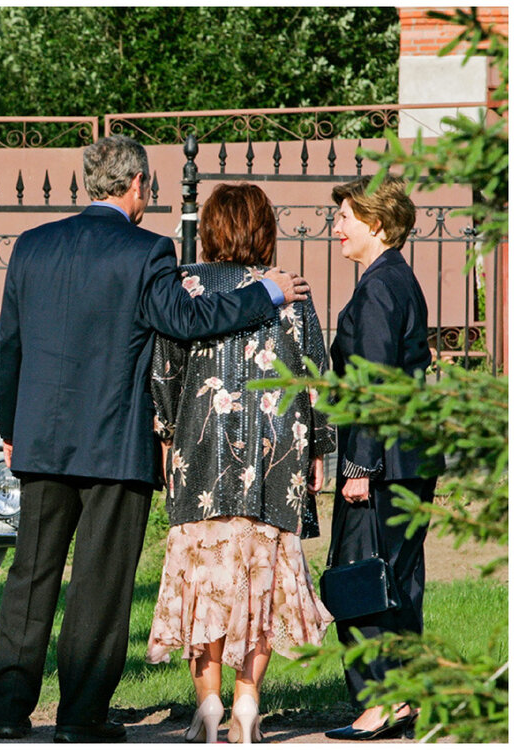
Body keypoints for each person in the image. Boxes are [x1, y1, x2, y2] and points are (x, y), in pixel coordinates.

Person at [0, 136, 311, 744]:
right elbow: (187, 321)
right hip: (113, 444)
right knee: (99, 584)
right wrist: (263, 292)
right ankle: (79, 718)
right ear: (136, 184)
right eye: (150, 184)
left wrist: (9, 431)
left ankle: (7, 712)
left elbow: (9, 346)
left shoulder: (32, 246)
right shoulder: (147, 251)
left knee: (31, 576)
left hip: (41, 440)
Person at [145, 183, 335, 744]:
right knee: (259, 585)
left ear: (209, 230)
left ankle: (207, 704)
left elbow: (164, 374)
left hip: (199, 458)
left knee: (202, 584)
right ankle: (247, 704)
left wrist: (165, 437)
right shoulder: (290, 291)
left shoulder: (187, 286)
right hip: (276, 459)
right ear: (264, 228)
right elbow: (315, 378)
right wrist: (320, 449)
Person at [323, 175, 441, 742]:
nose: (336, 229)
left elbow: (375, 384)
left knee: (360, 580)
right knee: (398, 579)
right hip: (407, 461)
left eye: (345, 217)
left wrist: (357, 468)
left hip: (383, 463)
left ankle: (377, 702)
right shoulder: (397, 280)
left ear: (374, 223)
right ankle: (404, 699)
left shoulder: (379, 287)